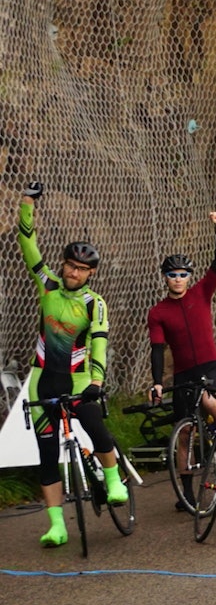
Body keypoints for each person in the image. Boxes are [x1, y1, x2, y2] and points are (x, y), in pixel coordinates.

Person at [18, 182, 126, 547]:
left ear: (91, 273)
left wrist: (97, 380)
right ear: (63, 264)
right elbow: (27, 243)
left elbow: (99, 344)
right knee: (47, 456)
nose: (73, 273)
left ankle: (114, 481)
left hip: (78, 381)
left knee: (95, 425)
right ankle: (57, 526)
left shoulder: (95, 304)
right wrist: (27, 203)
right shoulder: (48, 285)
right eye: (70, 265)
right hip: (42, 381)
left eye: (81, 269)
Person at [147, 193, 216, 509]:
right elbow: (157, 349)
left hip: (210, 365)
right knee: (184, 433)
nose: (178, 279)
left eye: (183, 274)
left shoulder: (201, 291)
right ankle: (186, 494)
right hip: (183, 374)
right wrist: (158, 382)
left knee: (212, 402)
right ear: (165, 278)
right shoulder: (158, 312)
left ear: (189, 277)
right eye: (173, 275)